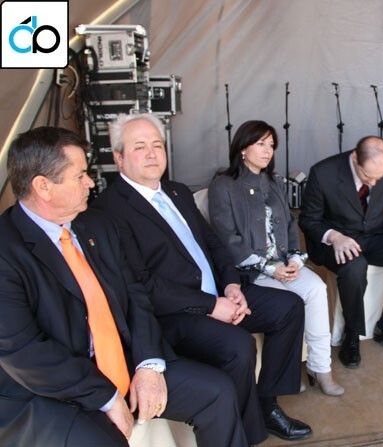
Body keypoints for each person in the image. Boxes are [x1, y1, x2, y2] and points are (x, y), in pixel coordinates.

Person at [0, 127, 247, 446]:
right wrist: (106, 397)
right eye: (80, 176)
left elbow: (135, 296)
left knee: (218, 393)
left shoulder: (97, 224)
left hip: (121, 359)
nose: (91, 183)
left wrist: (148, 364)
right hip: (52, 387)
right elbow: (23, 352)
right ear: (43, 187)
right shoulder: (6, 250)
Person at [93, 113, 311, 442]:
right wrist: (211, 305)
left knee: (289, 307)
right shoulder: (109, 210)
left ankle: (267, 405)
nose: (152, 153)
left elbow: (213, 244)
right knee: (238, 346)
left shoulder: (177, 191)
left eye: (157, 145)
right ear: (119, 157)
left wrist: (232, 285)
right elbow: (142, 285)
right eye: (139, 147)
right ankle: (247, 433)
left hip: (219, 293)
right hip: (174, 314)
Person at [208, 120, 344, 396]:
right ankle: (289, 370)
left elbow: (290, 226)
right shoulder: (223, 185)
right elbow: (226, 238)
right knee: (289, 302)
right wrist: (270, 268)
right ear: (243, 148)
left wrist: (294, 259)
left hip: (282, 262)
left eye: (271, 145)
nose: (268, 150)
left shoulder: (274, 182)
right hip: (250, 270)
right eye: (261, 144)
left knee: (317, 288)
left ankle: (320, 367)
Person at [299, 135, 383, 368]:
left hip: (375, 234)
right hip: (337, 238)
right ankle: (352, 333)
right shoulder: (323, 173)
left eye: (379, 178)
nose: (374, 184)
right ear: (355, 158)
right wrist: (335, 237)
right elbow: (308, 220)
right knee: (354, 266)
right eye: (368, 177)